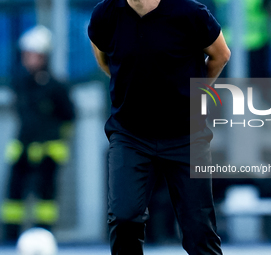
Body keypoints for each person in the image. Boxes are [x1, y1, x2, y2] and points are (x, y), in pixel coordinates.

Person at [88, 0, 230, 254]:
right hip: (130, 135)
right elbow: (103, 57)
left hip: (186, 135)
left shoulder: (190, 13)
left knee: (199, 231)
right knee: (124, 218)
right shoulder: (106, 14)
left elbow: (221, 55)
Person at [1, 25, 75, 242]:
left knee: (46, 197)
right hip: (22, 147)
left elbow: (69, 116)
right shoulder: (21, 83)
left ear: (43, 56)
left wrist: (57, 141)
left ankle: (44, 235)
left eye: (32, 54)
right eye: (25, 54)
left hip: (48, 151)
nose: (28, 59)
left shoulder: (56, 86)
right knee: (13, 196)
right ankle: (10, 237)